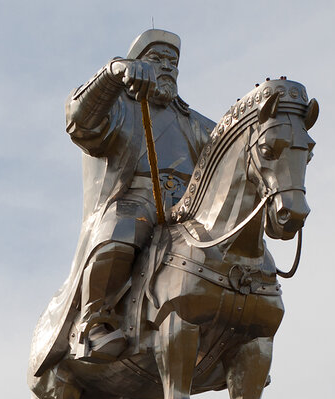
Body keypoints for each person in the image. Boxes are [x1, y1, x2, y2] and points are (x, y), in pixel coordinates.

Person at [31, 28, 215, 372]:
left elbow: (229, 151)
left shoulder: (193, 122)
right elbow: (79, 122)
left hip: (189, 208)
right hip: (137, 198)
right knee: (123, 229)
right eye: (158, 59)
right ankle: (94, 322)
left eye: (173, 62)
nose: (168, 68)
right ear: (139, 62)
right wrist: (113, 73)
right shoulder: (119, 109)